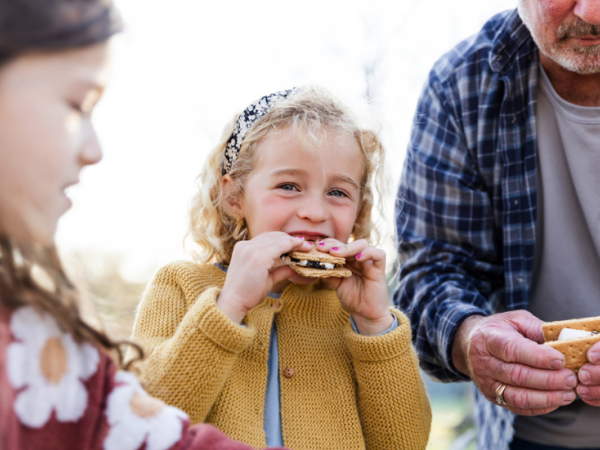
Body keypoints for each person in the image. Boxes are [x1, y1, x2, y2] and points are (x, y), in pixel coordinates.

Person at [0, 1, 288, 449]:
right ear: (233, 197)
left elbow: (151, 433)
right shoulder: (178, 283)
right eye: (77, 104)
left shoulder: (42, 328)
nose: (94, 149)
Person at [130, 85, 432, 450]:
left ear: (360, 209)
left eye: (338, 193)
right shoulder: (179, 285)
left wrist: (374, 324)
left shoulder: (358, 314)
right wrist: (229, 307)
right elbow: (142, 428)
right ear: (234, 197)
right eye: (289, 186)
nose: (316, 212)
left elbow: (405, 443)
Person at [396, 0, 600, 449]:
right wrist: (470, 338)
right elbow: (430, 271)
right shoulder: (461, 86)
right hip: (529, 438)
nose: (593, 12)